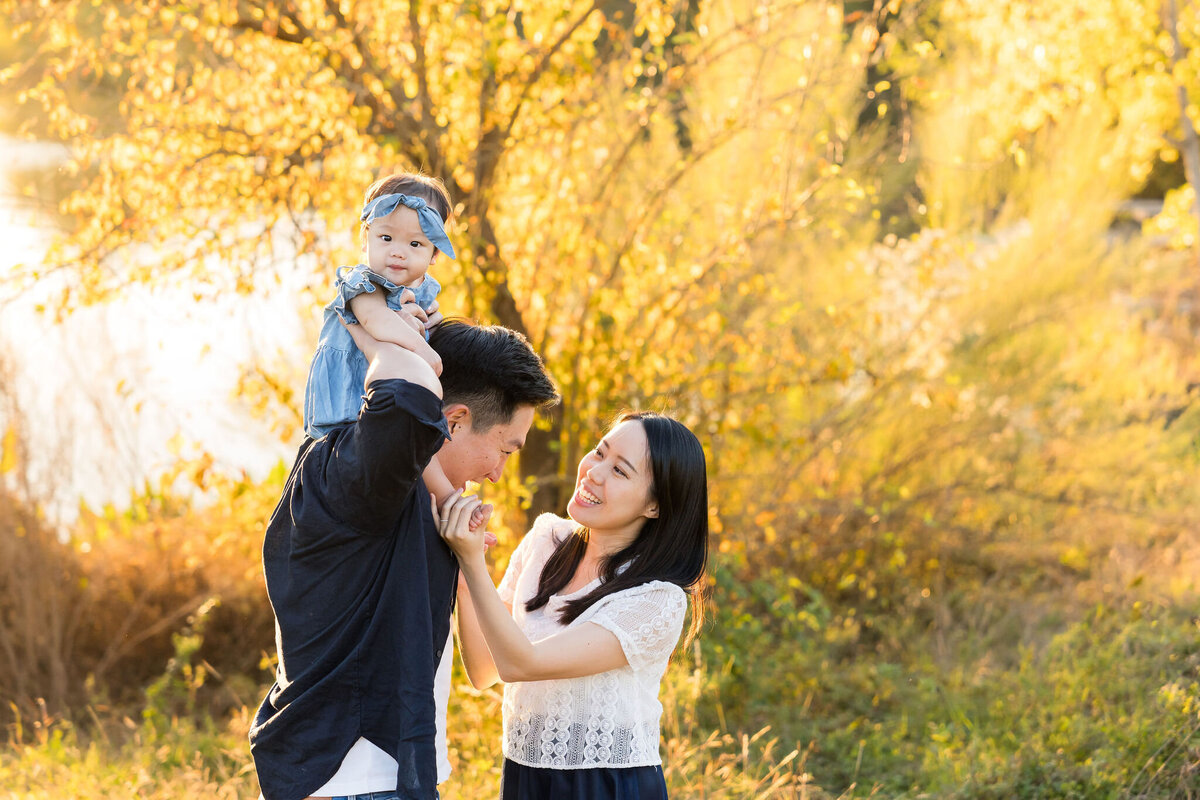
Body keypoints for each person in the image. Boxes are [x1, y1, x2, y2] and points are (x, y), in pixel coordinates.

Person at [249, 318, 559, 800]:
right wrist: (374, 313)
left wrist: (469, 560)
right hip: (354, 781)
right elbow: (406, 396)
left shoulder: (423, 502)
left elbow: (484, 669)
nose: (498, 473)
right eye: (503, 449)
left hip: (390, 777)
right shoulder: (366, 474)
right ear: (452, 421)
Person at [437, 411, 710, 800]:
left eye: (620, 471)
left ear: (655, 505)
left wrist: (472, 564)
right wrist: (466, 581)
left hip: (607, 787)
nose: (594, 472)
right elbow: (484, 670)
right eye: (600, 452)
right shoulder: (544, 540)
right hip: (523, 777)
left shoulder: (657, 599)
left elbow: (520, 665)